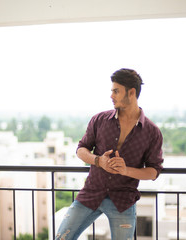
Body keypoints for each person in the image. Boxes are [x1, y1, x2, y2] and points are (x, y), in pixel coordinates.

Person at [55, 68, 164, 240]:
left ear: (132, 92)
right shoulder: (99, 120)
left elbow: (154, 171)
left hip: (123, 201)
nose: (111, 95)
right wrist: (99, 161)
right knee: (61, 238)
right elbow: (81, 150)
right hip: (90, 194)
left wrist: (126, 170)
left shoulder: (152, 132)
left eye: (116, 91)